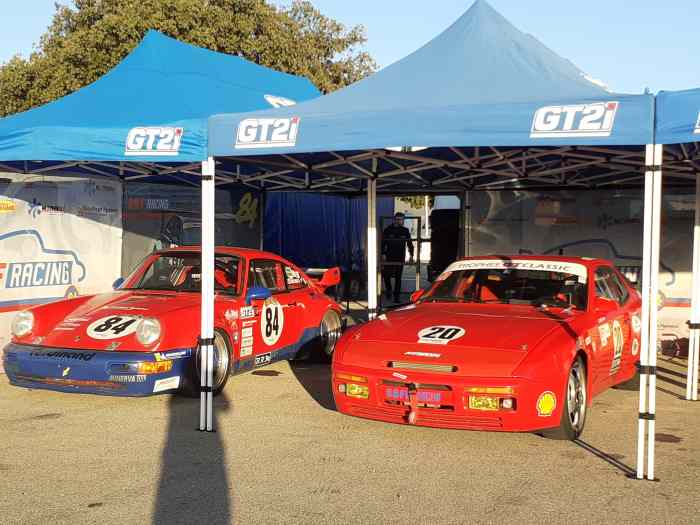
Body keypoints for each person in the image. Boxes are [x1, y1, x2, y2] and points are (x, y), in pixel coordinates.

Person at [381, 212, 414, 302]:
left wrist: (411, 255)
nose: (400, 221)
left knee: (398, 277)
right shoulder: (388, 230)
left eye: (402, 220)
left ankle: (396, 297)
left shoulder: (405, 230)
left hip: (400, 257)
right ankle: (389, 291)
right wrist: (383, 254)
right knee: (386, 275)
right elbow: (382, 243)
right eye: (398, 219)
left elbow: (410, 244)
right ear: (395, 219)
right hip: (389, 256)